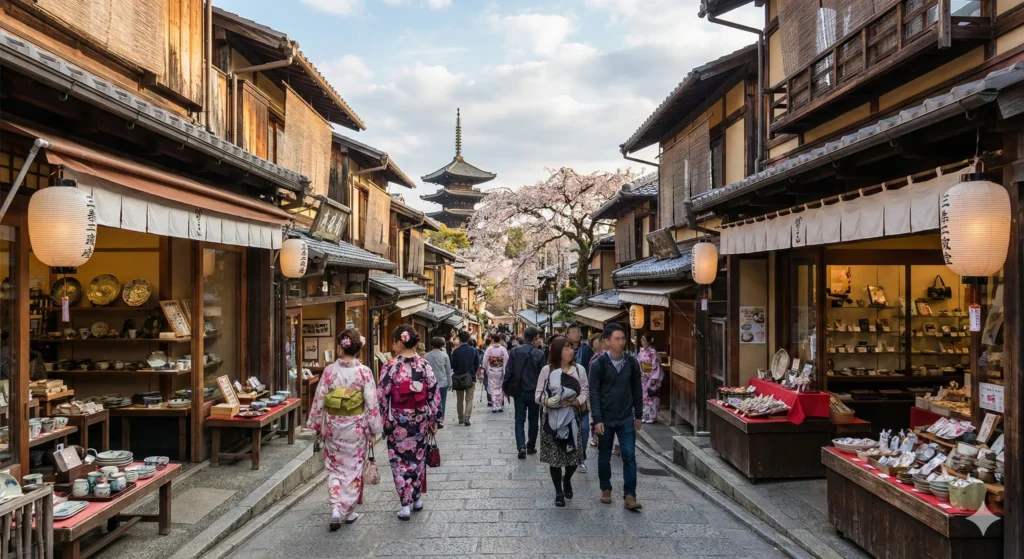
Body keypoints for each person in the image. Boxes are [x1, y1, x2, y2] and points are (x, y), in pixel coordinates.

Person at [307, 329, 383, 529]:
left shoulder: (330, 371)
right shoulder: (363, 372)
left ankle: (335, 508)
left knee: (334, 468)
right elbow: (371, 403)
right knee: (352, 469)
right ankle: (347, 510)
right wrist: (375, 430)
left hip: (333, 426)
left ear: (341, 347)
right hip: (355, 428)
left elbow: (320, 398)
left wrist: (316, 423)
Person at [378, 325, 439, 520]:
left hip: (398, 420)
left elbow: (382, 395)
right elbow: (433, 393)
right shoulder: (424, 365)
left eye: (394, 341)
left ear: (399, 342)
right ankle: (417, 498)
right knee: (418, 458)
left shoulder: (391, 366)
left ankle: (405, 504)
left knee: (399, 461)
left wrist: (384, 419)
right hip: (420, 418)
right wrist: (434, 418)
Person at [589, 322, 644, 511]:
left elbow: (637, 388)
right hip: (605, 417)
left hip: (626, 417)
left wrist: (639, 414)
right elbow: (594, 393)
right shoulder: (599, 364)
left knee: (629, 455)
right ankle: (606, 488)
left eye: (623, 338)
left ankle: (630, 495)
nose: (621, 342)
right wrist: (597, 419)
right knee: (604, 455)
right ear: (607, 341)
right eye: (617, 339)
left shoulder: (631, 362)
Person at [536, 336, 588, 507]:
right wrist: (546, 401)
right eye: (566, 348)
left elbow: (585, 391)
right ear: (558, 351)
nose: (570, 351)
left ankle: (567, 479)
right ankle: (558, 491)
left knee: (574, 455)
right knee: (555, 457)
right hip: (551, 417)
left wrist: (576, 401)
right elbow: (538, 394)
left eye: (571, 347)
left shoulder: (579, 370)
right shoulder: (547, 370)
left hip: (571, 415)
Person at [504, 326, 545, 458]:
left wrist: (505, 387)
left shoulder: (515, 352)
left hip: (519, 391)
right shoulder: (539, 354)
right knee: (533, 419)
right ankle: (531, 445)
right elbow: (542, 375)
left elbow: (508, 371)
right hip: (534, 392)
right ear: (535, 338)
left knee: (519, 419)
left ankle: (521, 446)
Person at [568, 325, 594, 473]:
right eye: (574, 332)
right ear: (568, 334)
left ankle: (581, 455)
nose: (577, 334)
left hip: (583, 396)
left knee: (584, 429)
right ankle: (570, 455)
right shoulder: (563, 348)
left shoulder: (587, 350)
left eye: (578, 331)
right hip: (566, 398)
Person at [449, 331, 478, 426]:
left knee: (459, 399)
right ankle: (467, 418)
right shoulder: (474, 350)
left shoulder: (456, 351)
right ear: (468, 338)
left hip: (459, 378)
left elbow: (453, 365)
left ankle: (460, 418)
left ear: (460, 339)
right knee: (469, 399)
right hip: (470, 376)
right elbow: (476, 364)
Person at [424, 336, 453, 428]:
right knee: (442, 401)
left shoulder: (426, 356)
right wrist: (450, 382)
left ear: (432, 344)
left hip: (430, 382)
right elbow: (448, 370)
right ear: (441, 345)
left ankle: (432, 418)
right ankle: (440, 420)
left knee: (431, 400)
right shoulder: (445, 356)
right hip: (442, 381)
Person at [637, 334, 664, 424]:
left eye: (644, 340)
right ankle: (646, 416)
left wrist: (654, 378)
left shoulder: (653, 353)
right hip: (644, 377)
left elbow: (656, 366)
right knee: (644, 397)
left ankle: (653, 417)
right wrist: (640, 373)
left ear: (649, 341)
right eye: (642, 340)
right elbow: (639, 364)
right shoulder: (641, 353)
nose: (642, 342)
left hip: (652, 378)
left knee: (652, 397)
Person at [482, 333, 509, 412]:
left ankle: (494, 405)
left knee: (492, 388)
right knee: (500, 388)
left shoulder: (489, 349)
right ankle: (499, 405)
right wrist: (504, 367)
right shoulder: (503, 349)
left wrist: (485, 368)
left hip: (492, 370)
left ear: (493, 340)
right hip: (500, 370)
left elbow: (485, 360)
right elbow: (506, 359)